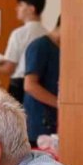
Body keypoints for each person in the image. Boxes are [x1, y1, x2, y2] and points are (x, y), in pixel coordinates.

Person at [0, 0, 48, 104]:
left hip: (19, 86)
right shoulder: (46, 33)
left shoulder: (19, 33)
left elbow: (8, 68)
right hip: (41, 86)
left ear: (31, 9)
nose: (16, 8)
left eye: (21, 5)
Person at [23, 15, 61, 144]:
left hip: (54, 120)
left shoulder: (60, 48)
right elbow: (30, 85)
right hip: (39, 121)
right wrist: (60, 104)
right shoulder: (40, 46)